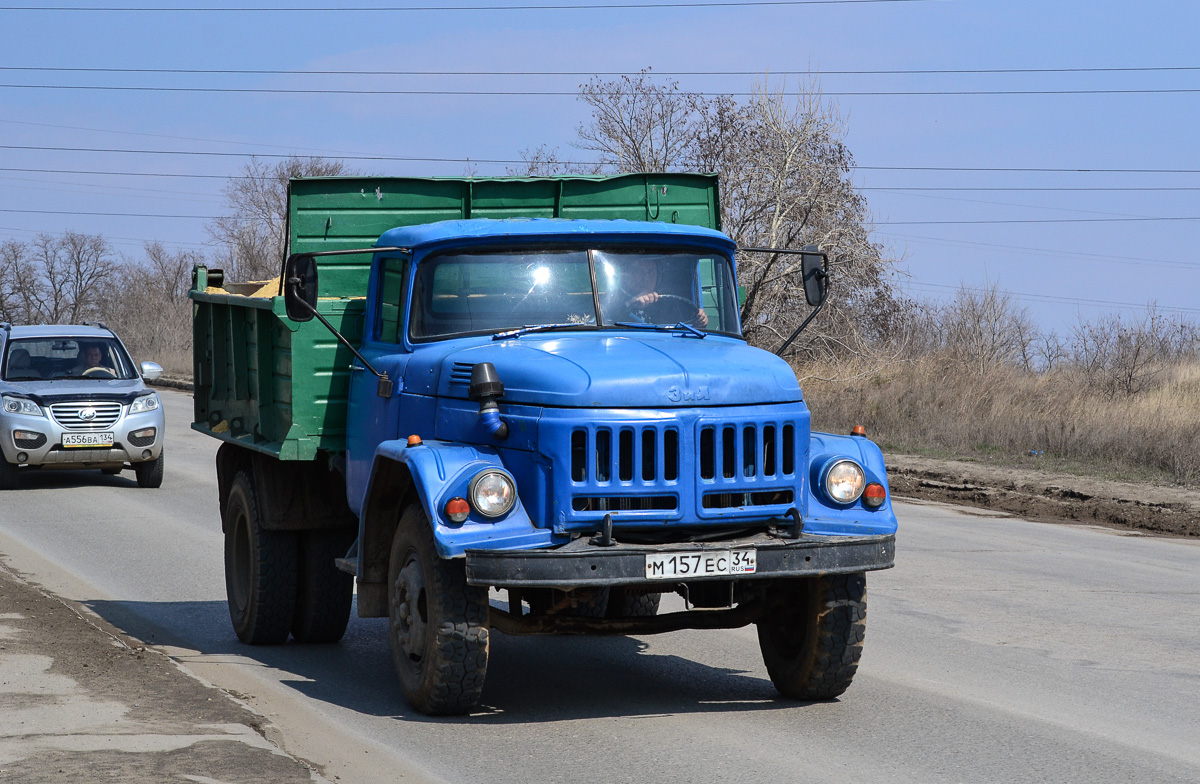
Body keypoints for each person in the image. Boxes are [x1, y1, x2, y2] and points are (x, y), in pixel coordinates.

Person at [605, 258, 708, 328]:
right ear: (628, 275)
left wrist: (699, 320)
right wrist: (629, 304)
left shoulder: (669, 304)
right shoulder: (613, 301)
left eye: (651, 272)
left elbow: (682, 330)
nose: (646, 278)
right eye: (638, 271)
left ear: (658, 276)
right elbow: (599, 323)